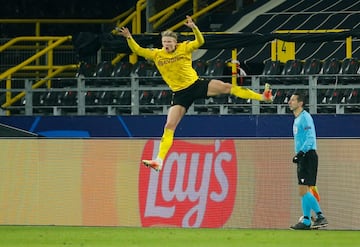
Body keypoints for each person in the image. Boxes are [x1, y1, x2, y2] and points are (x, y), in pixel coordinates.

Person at [116, 15, 273, 172]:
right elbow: (138, 50)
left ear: (175, 42)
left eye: (169, 42)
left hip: (196, 85)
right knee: (169, 125)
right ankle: (159, 160)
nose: (166, 45)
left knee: (226, 87)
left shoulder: (185, 47)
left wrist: (194, 28)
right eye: (164, 42)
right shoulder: (157, 54)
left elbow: (200, 42)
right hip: (179, 94)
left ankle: (263, 97)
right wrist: (129, 37)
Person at [288, 92, 328, 230]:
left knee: (304, 190)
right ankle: (306, 220)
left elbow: (310, 138)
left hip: (308, 156)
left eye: (293, 100)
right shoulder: (297, 119)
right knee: (303, 190)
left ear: (300, 103)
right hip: (303, 157)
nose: (289, 102)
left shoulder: (305, 118)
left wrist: (301, 153)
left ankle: (320, 216)